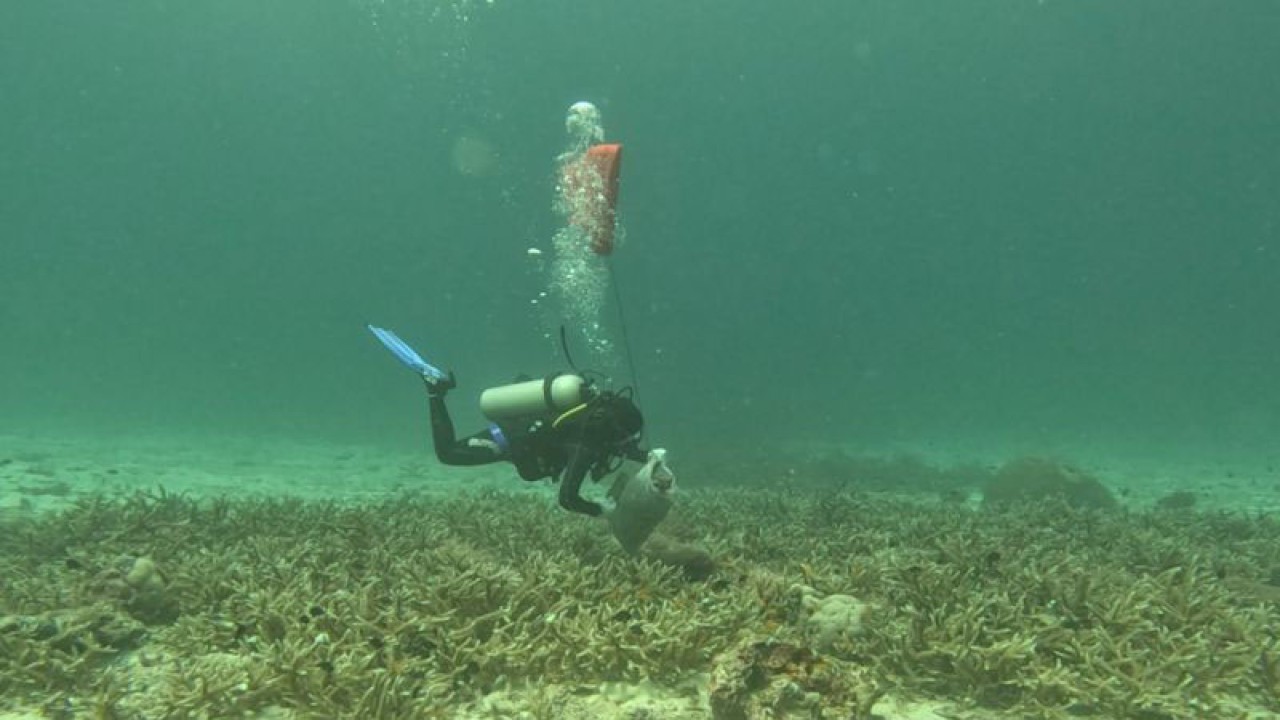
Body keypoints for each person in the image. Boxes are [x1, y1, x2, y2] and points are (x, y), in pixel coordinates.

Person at [367, 326, 648, 517]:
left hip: (522, 436)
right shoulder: (586, 444)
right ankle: (434, 390)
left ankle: (439, 389)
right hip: (508, 439)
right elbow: (567, 499)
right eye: (626, 438)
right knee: (448, 453)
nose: (625, 445)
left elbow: (623, 448)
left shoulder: (593, 426)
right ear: (615, 430)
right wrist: (600, 510)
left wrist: (651, 460)